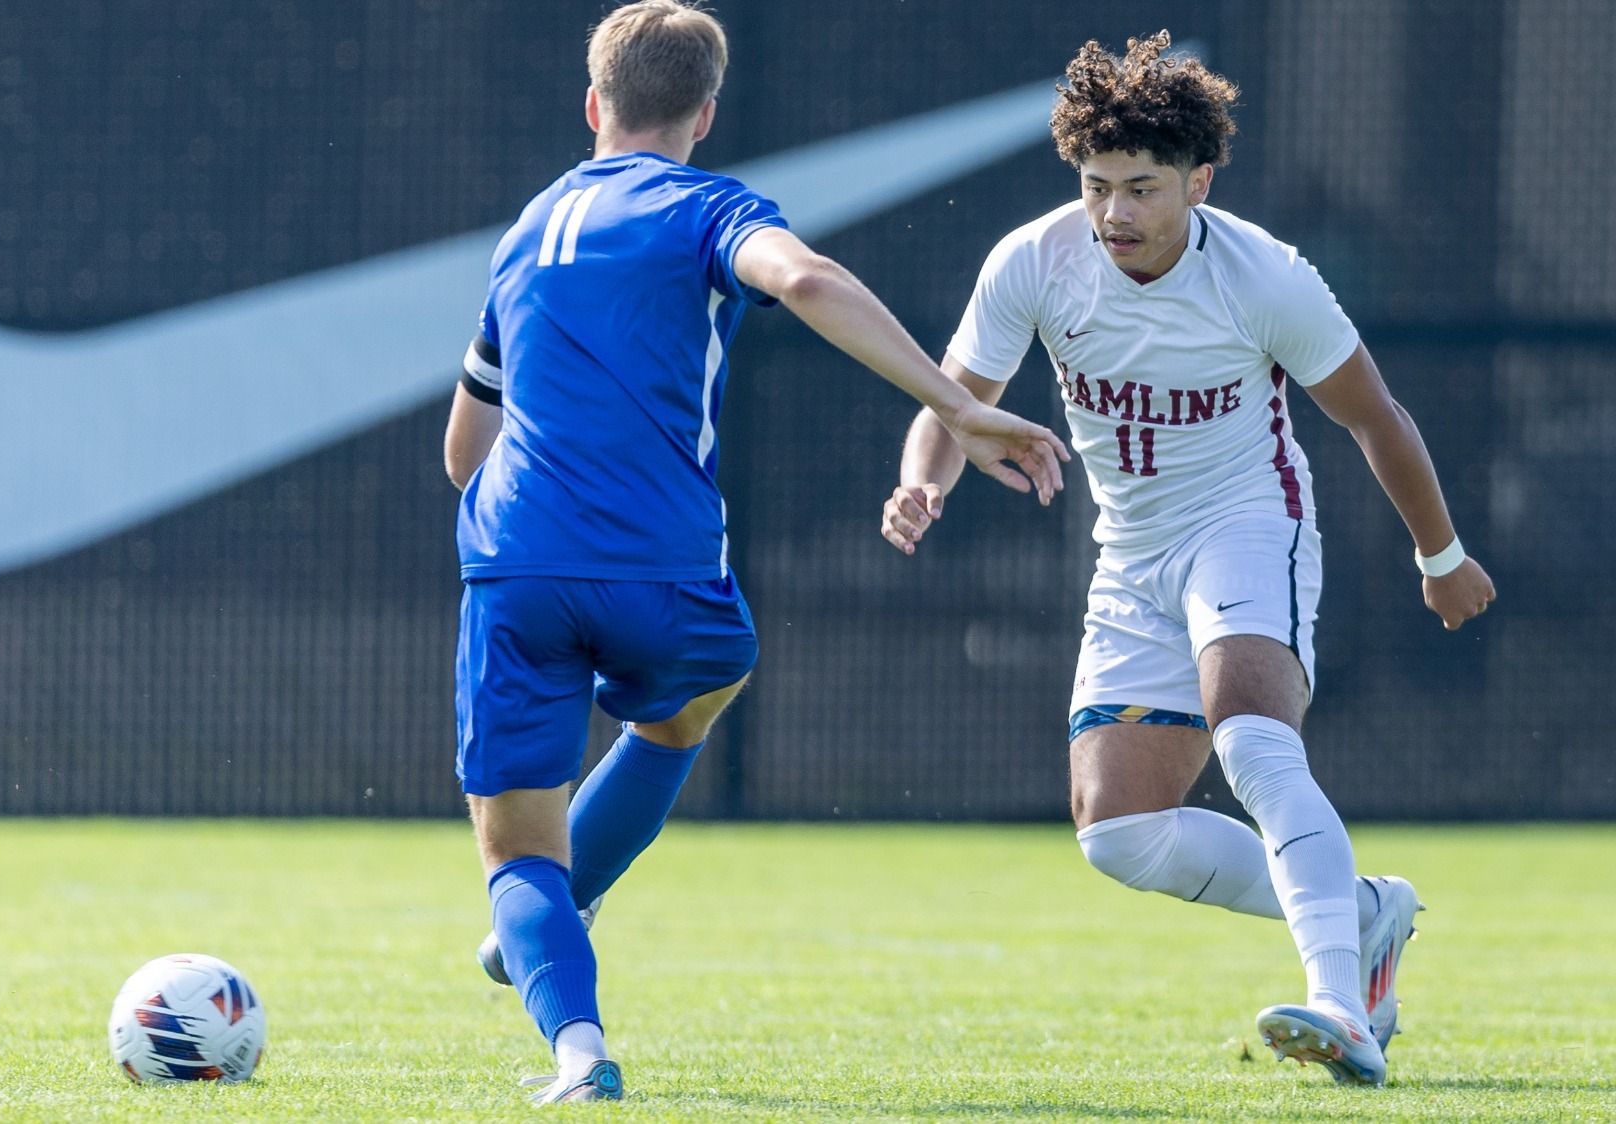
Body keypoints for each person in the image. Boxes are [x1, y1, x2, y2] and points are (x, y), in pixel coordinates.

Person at [443, 0, 1069, 1104]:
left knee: (519, 859)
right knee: (698, 690)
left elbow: (462, 449)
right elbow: (809, 281)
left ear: (593, 104)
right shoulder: (706, 206)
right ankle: (554, 914)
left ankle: (574, 1038)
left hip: (516, 561)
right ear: (706, 114)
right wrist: (956, 409)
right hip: (661, 567)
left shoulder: (524, 230)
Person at [879, 32, 1495, 1087]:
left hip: (1247, 522)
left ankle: (1342, 1004)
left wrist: (1437, 552)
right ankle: (1360, 910)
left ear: (1198, 180)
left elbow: (1374, 417)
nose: (1113, 213)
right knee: (1114, 834)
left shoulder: (1263, 276)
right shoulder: (1033, 259)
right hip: (1127, 552)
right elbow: (952, 395)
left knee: (1253, 745)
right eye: (1094, 185)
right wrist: (924, 480)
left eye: (1140, 188)